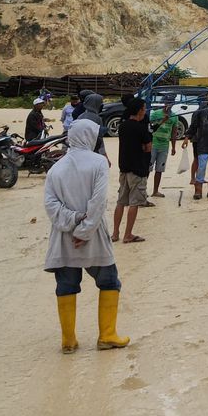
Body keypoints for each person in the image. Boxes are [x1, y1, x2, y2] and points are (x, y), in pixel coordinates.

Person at [44, 119, 127, 351]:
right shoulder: (99, 162)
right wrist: (85, 229)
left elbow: (50, 205)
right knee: (109, 281)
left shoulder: (56, 168)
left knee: (66, 285)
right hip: (93, 235)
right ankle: (107, 335)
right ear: (90, 137)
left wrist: (72, 221)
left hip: (64, 237)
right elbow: (98, 202)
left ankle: (68, 341)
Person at [113, 96, 152, 244]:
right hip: (137, 168)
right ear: (140, 110)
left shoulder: (122, 126)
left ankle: (115, 233)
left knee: (121, 201)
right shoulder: (141, 128)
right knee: (134, 203)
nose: (145, 111)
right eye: (144, 108)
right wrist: (142, 147)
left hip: (124, 167)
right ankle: (128, 234)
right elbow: (148, 148)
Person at [149, 99, 178, 199]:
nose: (169, 105)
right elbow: (150, 127)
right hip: (153, 144)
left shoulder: (174, 116)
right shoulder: (155, 114)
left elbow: (174, 132)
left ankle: (155, 191)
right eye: (168, 103)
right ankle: (142, 190)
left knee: (159, 169)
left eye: (171, 103)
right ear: (164, 103)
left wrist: (173, 147)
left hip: (164, 146)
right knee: (148, 168)